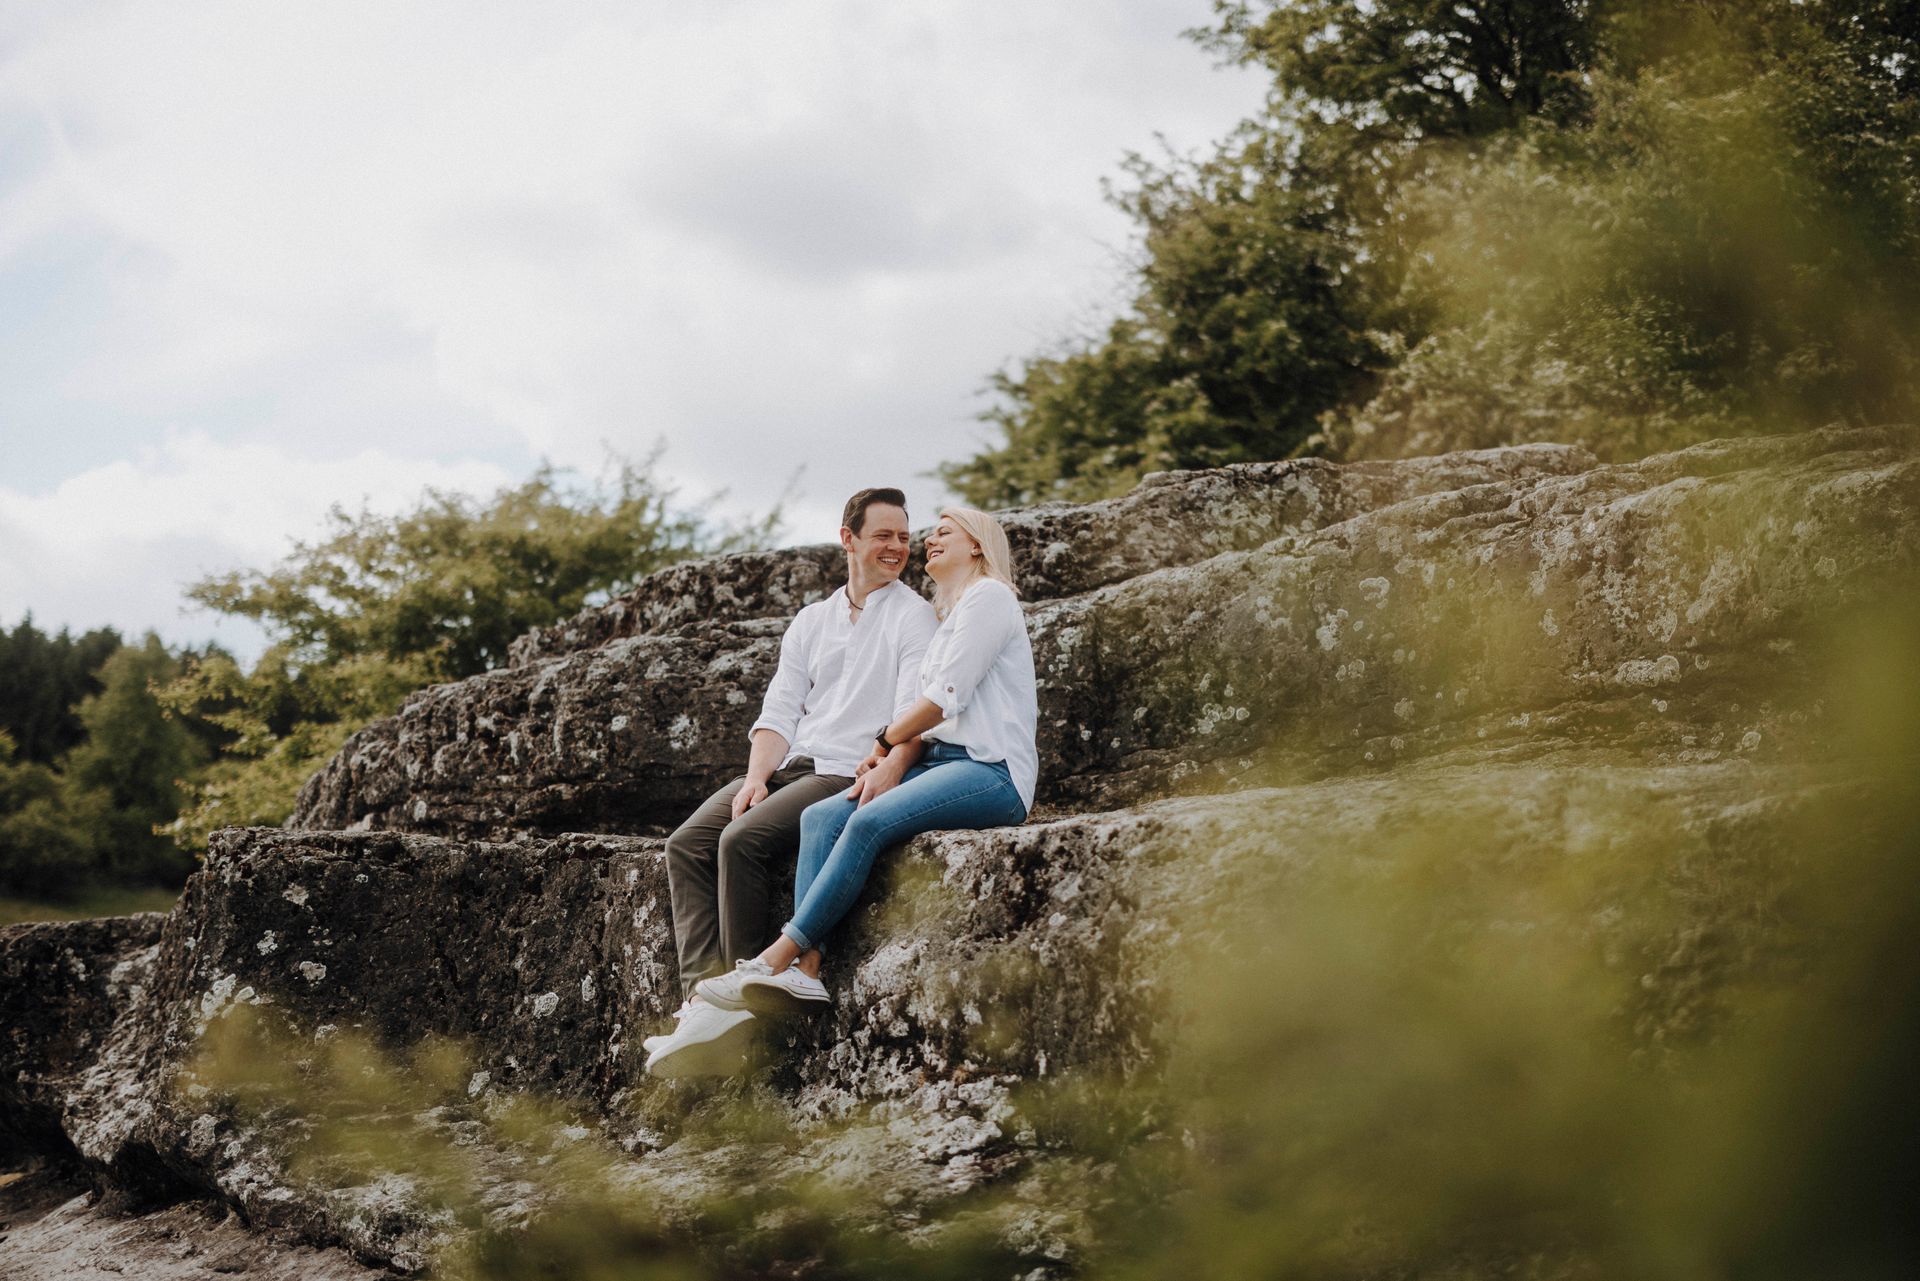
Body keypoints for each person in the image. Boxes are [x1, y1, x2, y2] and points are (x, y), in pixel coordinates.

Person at [679, 506, 1036, 1037]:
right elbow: (785, 708)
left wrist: (885, 744)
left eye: (942, 533)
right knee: (821, 818)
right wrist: (885, 756)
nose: (925, 542)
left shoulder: (989, 597)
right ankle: (805, 973)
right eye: (924, 534)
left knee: (864, 822)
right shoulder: (950, 612)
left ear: (978, 545)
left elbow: (944, 697)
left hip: (991, 768)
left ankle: (775, 958)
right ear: (848, 538)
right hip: (938, 761)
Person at [645, 487, 936, 1078]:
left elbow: (913, 712)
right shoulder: (811, 620)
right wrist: (756, 778)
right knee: (687, 843)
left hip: (844, 769)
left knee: (742, 840)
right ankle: (702, 1000)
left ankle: (741, 999)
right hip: (790, 765)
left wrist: (889, 762)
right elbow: (779, 711)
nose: (897, 547)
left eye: (905, 537)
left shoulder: (913, 616)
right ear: (848, 539)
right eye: (883, 535)